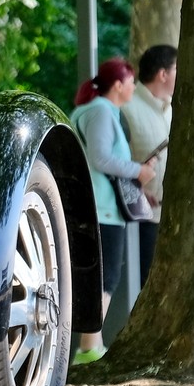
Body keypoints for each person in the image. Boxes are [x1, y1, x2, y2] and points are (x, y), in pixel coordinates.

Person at [71, 58, 153, 365]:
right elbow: (101, 158)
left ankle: (91, 345)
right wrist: (138, 171)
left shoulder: (96, 111)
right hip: (102, 209)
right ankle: (89, 347)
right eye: (131, 82)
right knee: (106, 278)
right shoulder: (102, 113)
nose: (134, 87)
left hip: (97, 207)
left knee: (100, 276)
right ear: (118, 85)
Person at [123, 44, 175, 283]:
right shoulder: (126, 108)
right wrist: (137, 190)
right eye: (177, 69)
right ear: (162, 74)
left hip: (174, 218)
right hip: (139, 221)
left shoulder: (175, 109)